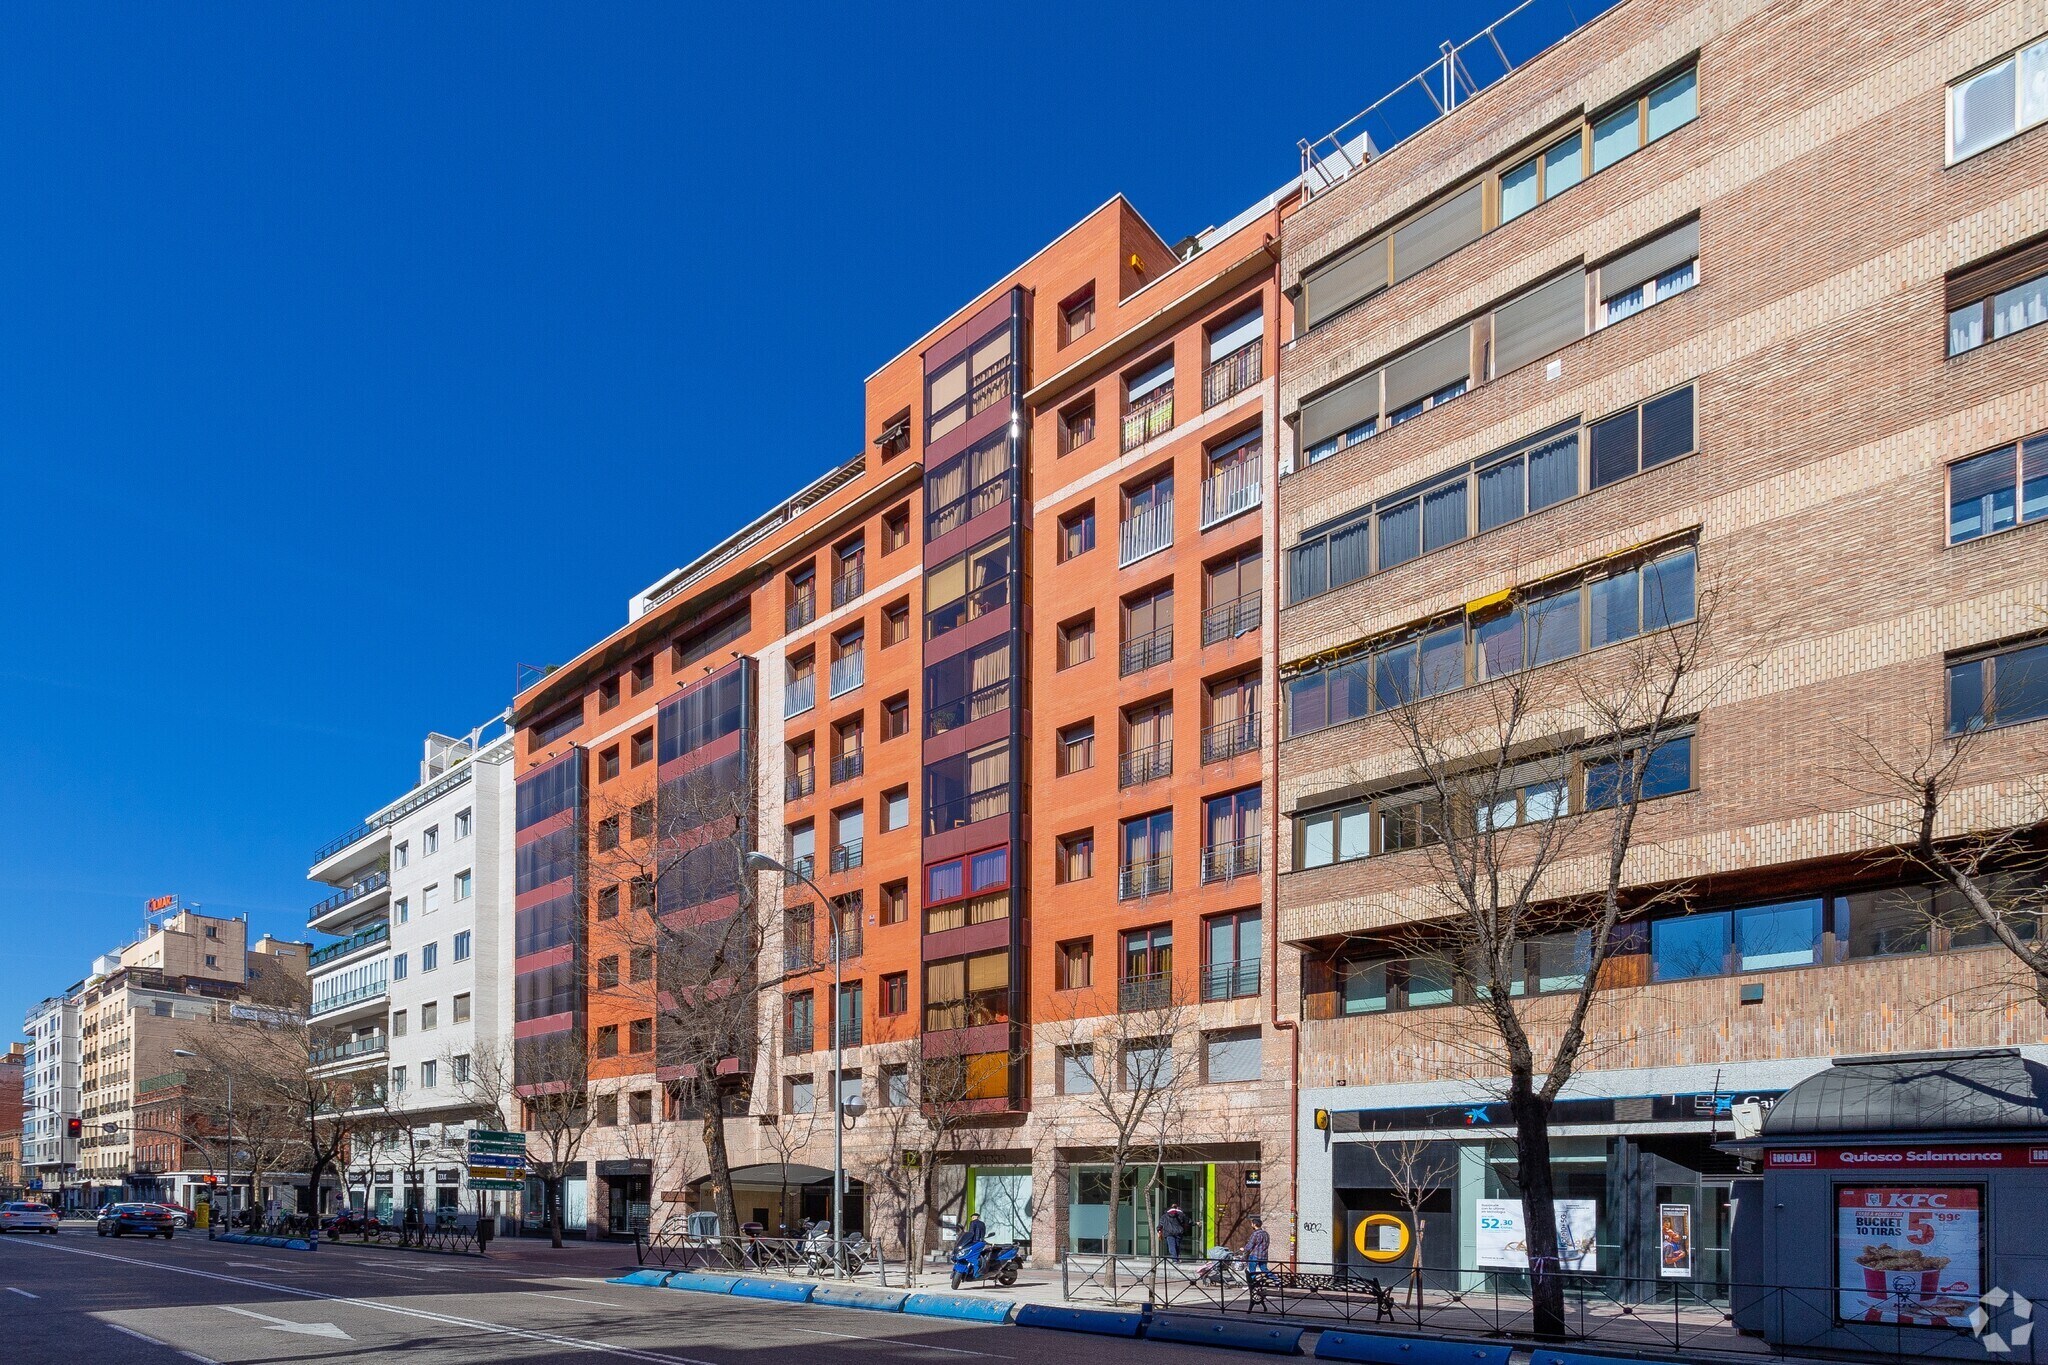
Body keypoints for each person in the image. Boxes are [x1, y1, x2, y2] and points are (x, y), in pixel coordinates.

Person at [1243, 1216, 1271, 1282]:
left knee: (1252, 1270)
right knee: (1264, 1269)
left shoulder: (1255, 1233)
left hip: (1255, 1255)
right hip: (1264, 1255)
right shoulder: (1266, 1233)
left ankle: (1252, 1283)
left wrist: (1244, 1249)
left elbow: (1251, 1244)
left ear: (1254, 1224)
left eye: (1252, 1223)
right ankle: (1277, 1280)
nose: (1251, 1225)